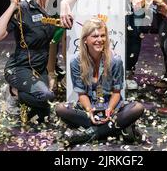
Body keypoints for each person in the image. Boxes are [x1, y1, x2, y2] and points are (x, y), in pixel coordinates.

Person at [0, 0, 66, 122]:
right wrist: (12, 6)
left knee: (44, 112)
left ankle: (25, 97)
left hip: (40, 70)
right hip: (19, 68)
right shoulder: (24, 7)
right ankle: (12, 91)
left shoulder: (57, 6)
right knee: (46, 97)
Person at [55, 18, 145, 146]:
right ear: (85, 40)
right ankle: (115, 129)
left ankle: (90, 133)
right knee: (60, 109)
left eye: (103, 36)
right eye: (95, 36)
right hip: (89, 107)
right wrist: (89, 110)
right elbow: (82, 94)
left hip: (112, 108)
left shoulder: (116, 61)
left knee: (137, 108)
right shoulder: (75, 61)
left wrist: (109, 109)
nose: (100, 40)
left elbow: (116, 92)